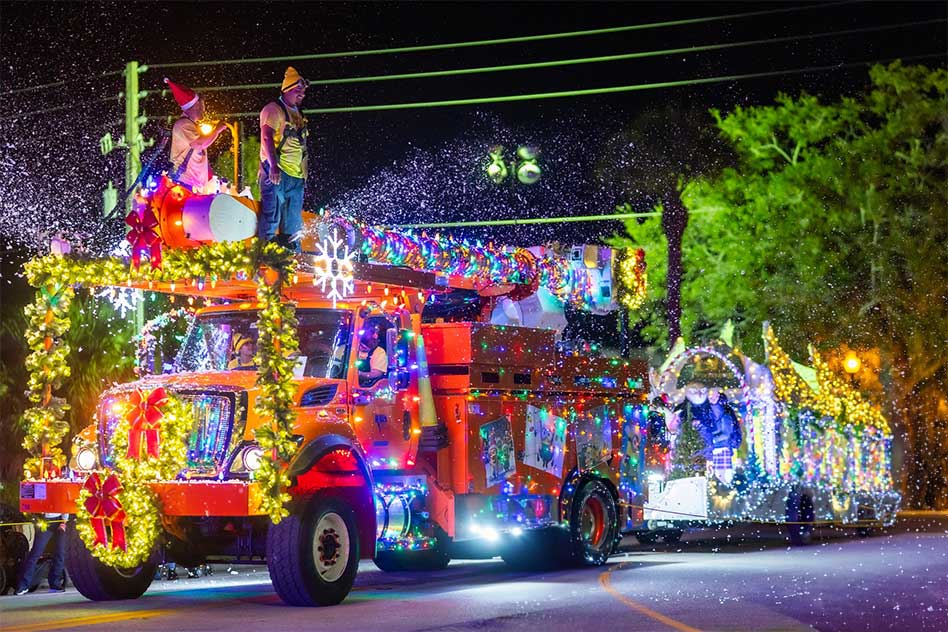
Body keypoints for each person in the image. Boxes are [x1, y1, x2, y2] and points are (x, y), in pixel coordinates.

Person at [258, 66, 310, 252]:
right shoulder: (274, 109)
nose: (302, 94)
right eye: (298, 90)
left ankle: (290, 256)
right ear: (286, 89)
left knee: (293, 223)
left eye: (303, 90)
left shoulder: (299, 114)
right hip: (276, 173)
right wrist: (273, 166)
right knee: (272, 217)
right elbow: (266, 137)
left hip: (296, 177)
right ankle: (265, 255)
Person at [164, 77, 229, 193]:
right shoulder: (183, 125)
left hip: (194, 186)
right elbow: (199, 144)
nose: (204, 109)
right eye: (203, 105)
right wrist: (217, 130)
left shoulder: (192, 125)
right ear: (196, 104)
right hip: (184, 185)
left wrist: (211, 178)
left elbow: (200, 152)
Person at [16, 513, 67, 595]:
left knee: (60, 553)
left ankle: (55, 584)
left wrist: (64, 521)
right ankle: (23, 586)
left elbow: (65, 506)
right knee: (35, 553)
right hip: (44, 520)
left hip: (60, 520)